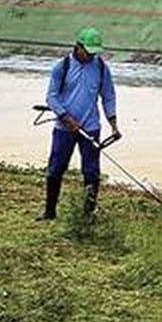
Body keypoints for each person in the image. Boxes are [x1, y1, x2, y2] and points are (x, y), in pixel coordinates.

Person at [39, 27, 121, 220]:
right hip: (64, 129)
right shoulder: (62, 66)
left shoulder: (100, 67)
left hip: (91, 127)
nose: (91, 56)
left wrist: (113, 123)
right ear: (78, 47)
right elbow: (51, 97)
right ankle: (50, 212)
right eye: (88, 52)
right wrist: (66, 118)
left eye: (94, 52)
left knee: (91, 171)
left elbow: (108, 95)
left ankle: (88, 213)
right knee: (56, 169)